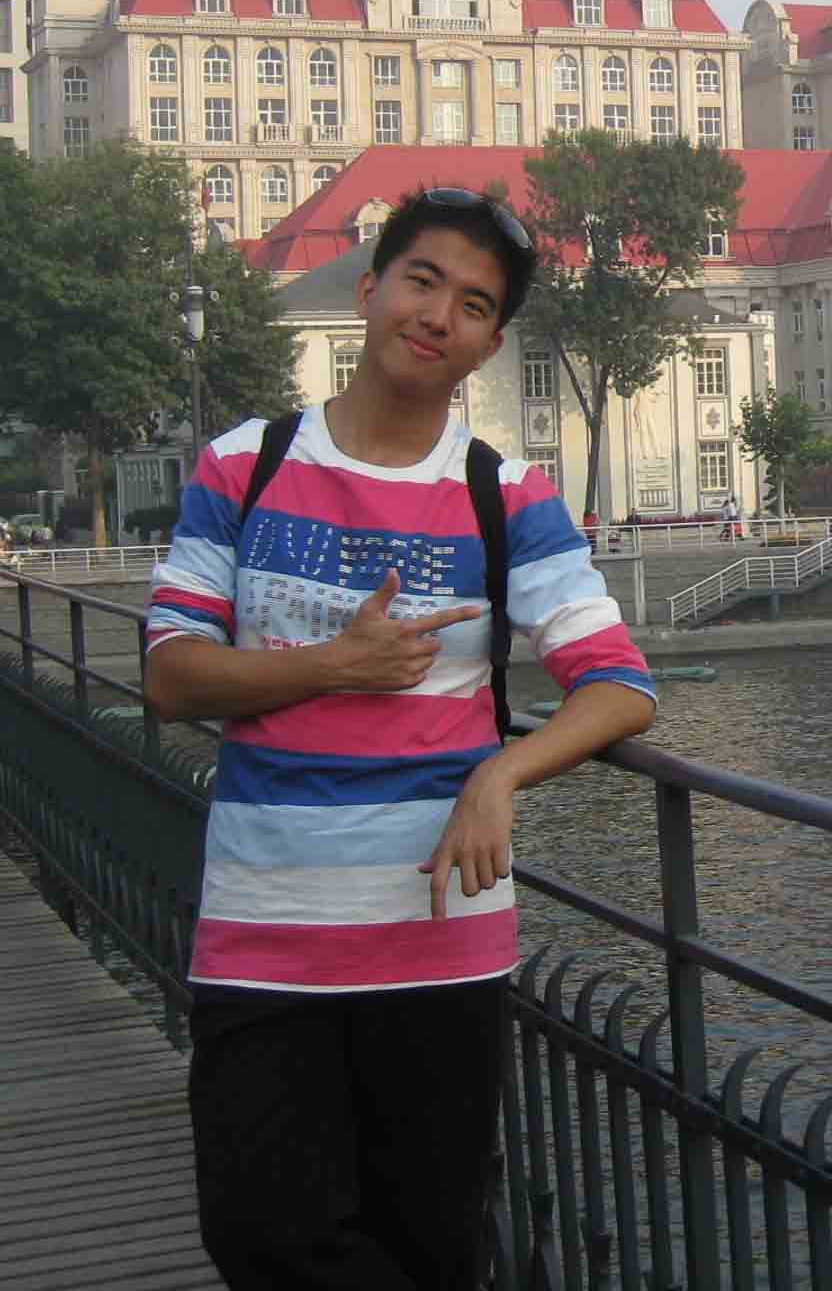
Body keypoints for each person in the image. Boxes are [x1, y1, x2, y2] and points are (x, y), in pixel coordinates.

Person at [145, 187, 656, 1291]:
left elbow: (618, 686)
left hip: (439, 939)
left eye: (473, 304)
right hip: (266, 932)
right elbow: (172, 676)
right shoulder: (245, 465)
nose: (438, 315)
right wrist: (333, 665)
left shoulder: (501, 494)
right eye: (423, 280)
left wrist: (500, 774)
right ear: (371, 288)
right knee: (258, 1233)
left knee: (431, 1245)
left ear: (489, 343)